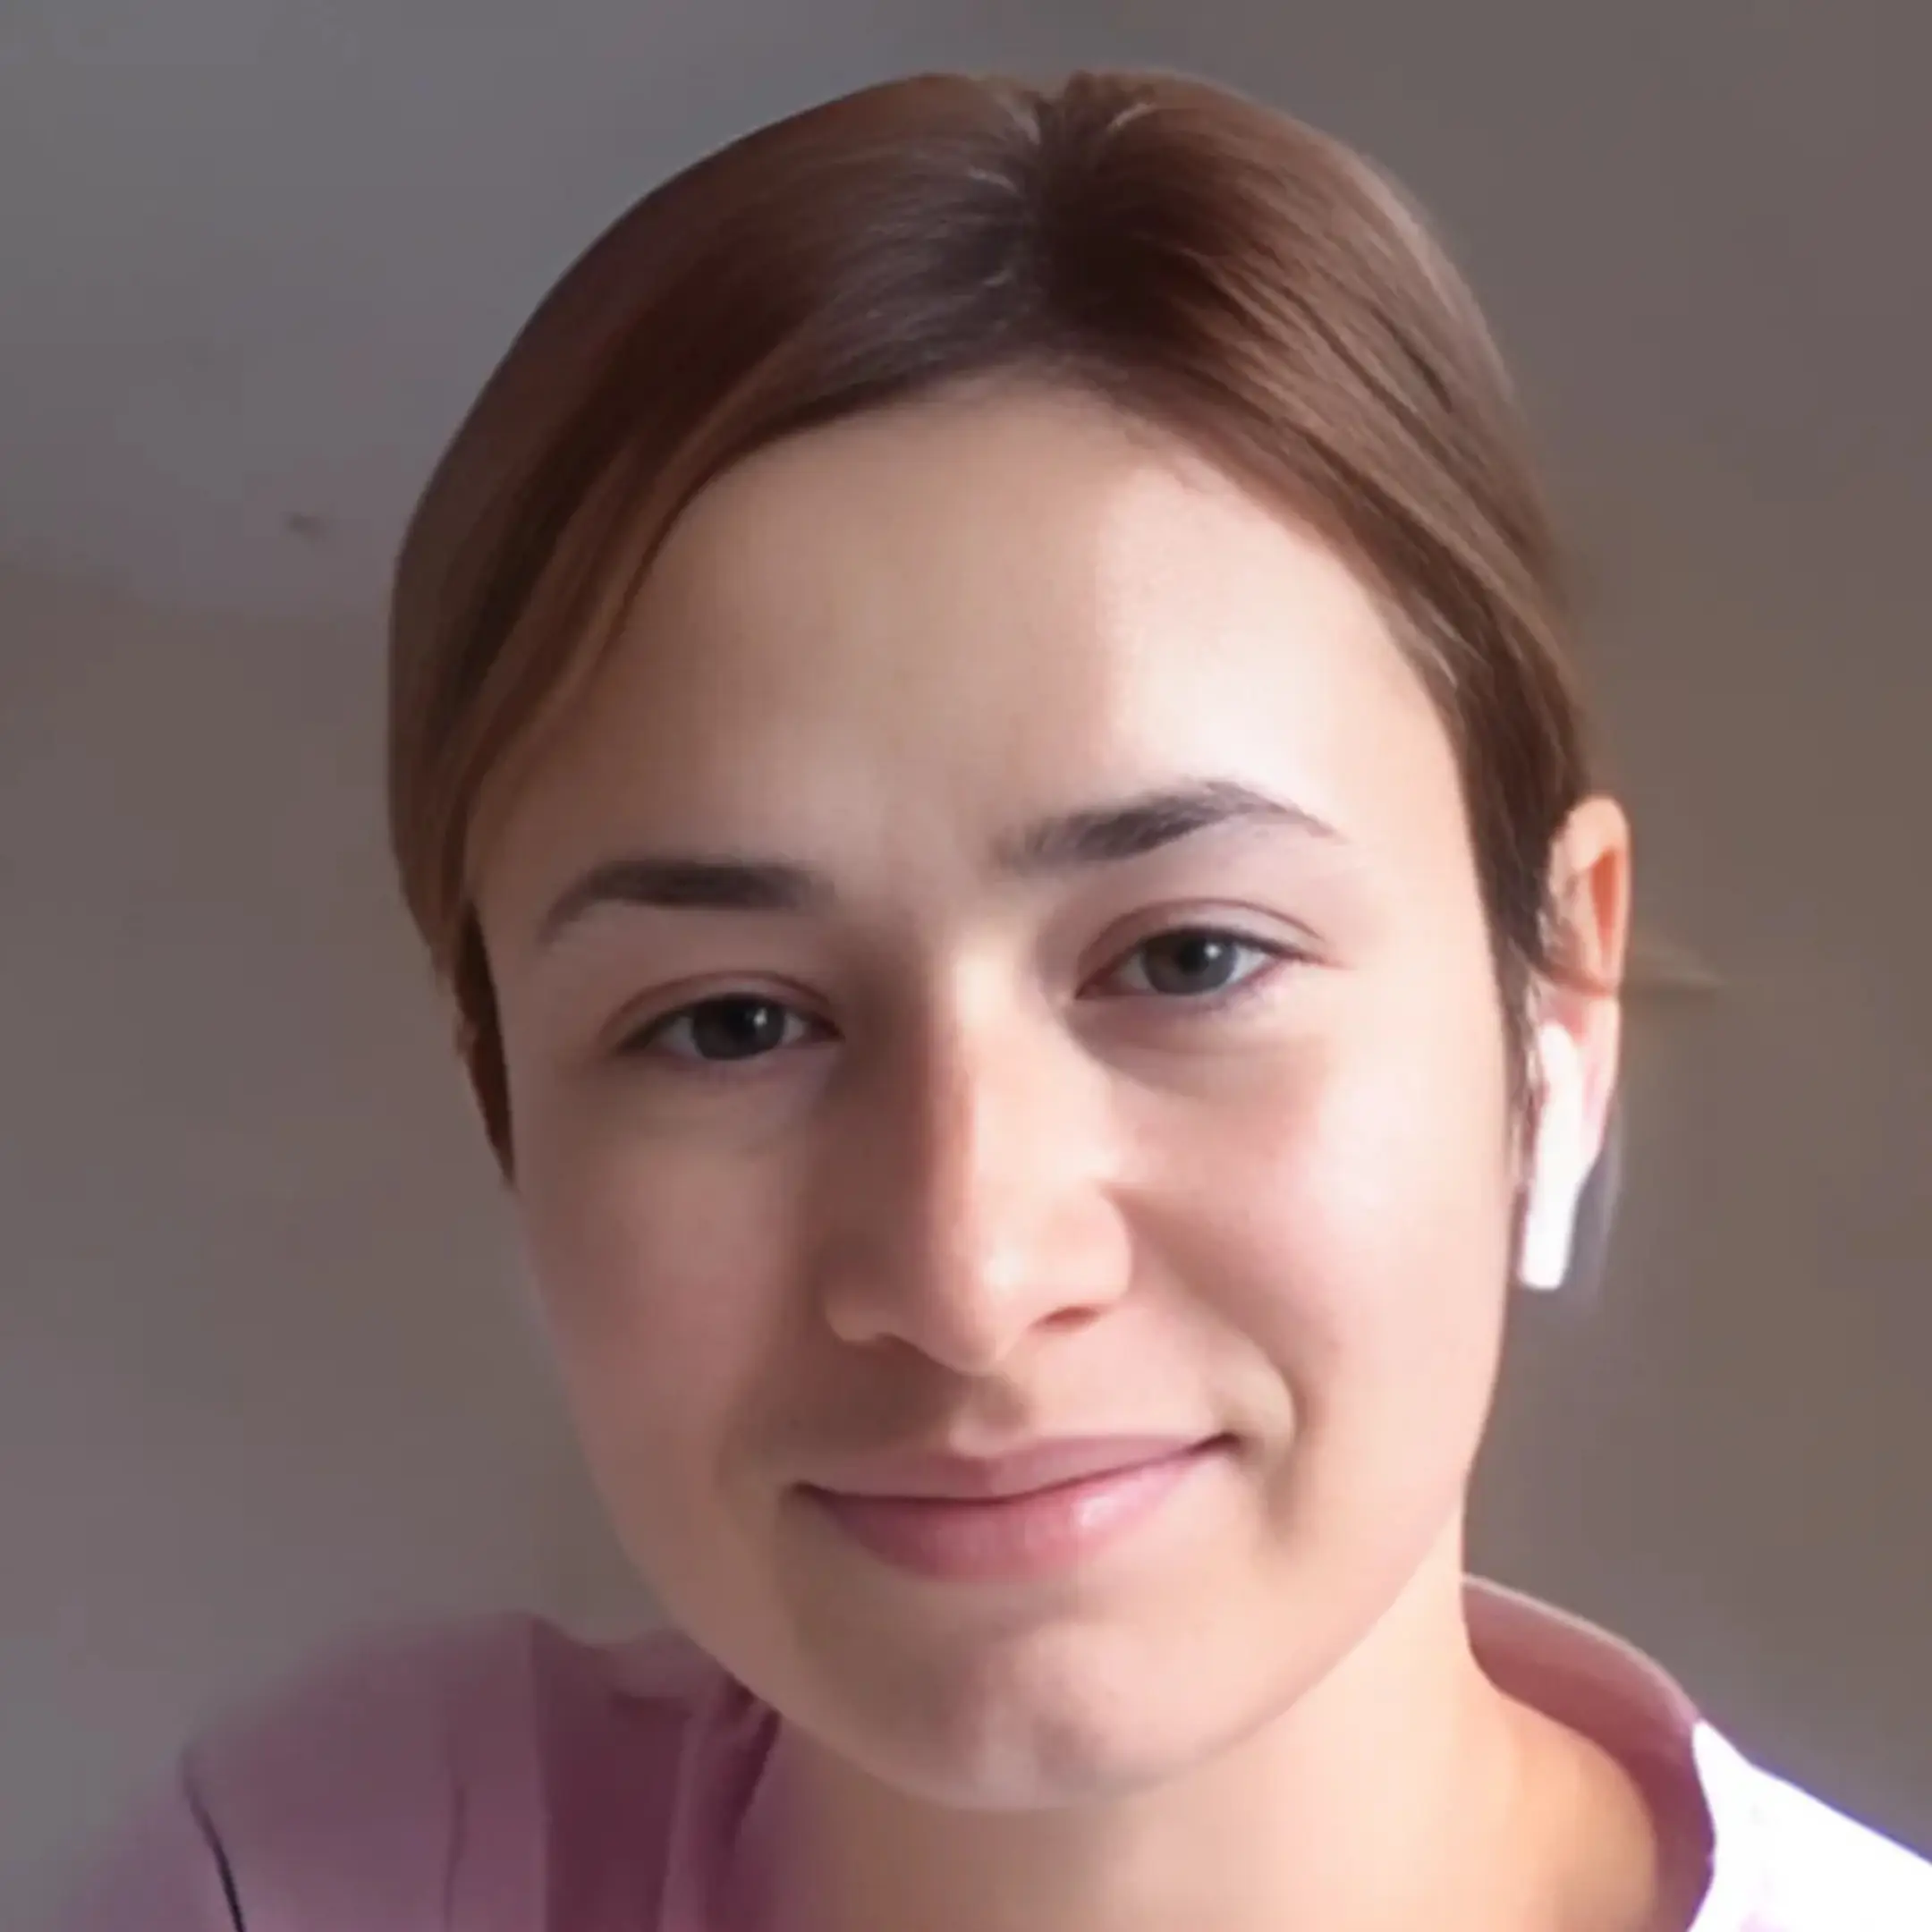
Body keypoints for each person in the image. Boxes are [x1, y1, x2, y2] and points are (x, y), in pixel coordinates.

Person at [59, 66, 1930, 1932]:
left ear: (1559, 1013)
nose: (968, 1275)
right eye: (731, 1022)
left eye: (1191, 958)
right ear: (509, 1110)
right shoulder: (314, 1881)